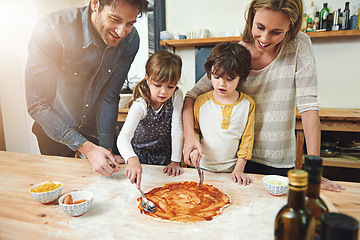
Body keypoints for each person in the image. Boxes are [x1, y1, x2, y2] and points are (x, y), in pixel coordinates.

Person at [182, 0, 344, 191]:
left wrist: (315, 171)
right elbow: (191, 96)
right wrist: (189, 137)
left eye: (276, 32)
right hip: (237, 163)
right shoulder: (237, 56)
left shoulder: (299, 45)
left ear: (291, 26)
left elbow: (309, 107)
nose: (265, 38)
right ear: (251, 17)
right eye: (260, 27)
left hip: (278, 161)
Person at [25, 0, 148, 177]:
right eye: (115, 19)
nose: (122, 32)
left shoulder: (130, 40)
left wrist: (105, 148)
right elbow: (37, 104)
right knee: (63, 192)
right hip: (55, 132)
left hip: (97, 130)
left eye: (130, 23)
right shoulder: (52, 29)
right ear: (95, 4)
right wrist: (87, 149)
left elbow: (109, 96)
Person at [189, 42, 254, 186]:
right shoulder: (200, 102)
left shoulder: (248, 104)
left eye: (229, 79)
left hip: (231, 173)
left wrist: (239, 170)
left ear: (241, 78)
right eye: (216, 77)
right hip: (201, 169)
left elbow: (247, 141)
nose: (221, 84)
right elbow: (194, 130)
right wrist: (194, 150)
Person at [117, 50, 183, 188]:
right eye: (158, 85)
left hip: (164, 157)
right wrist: (131, 158)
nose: (164, 91)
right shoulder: (140, 104)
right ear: (147, 79)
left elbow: (177, 128)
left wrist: (175, 161)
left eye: (170, 86)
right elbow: (123, 138)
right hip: (139, 158)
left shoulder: (177, 96)